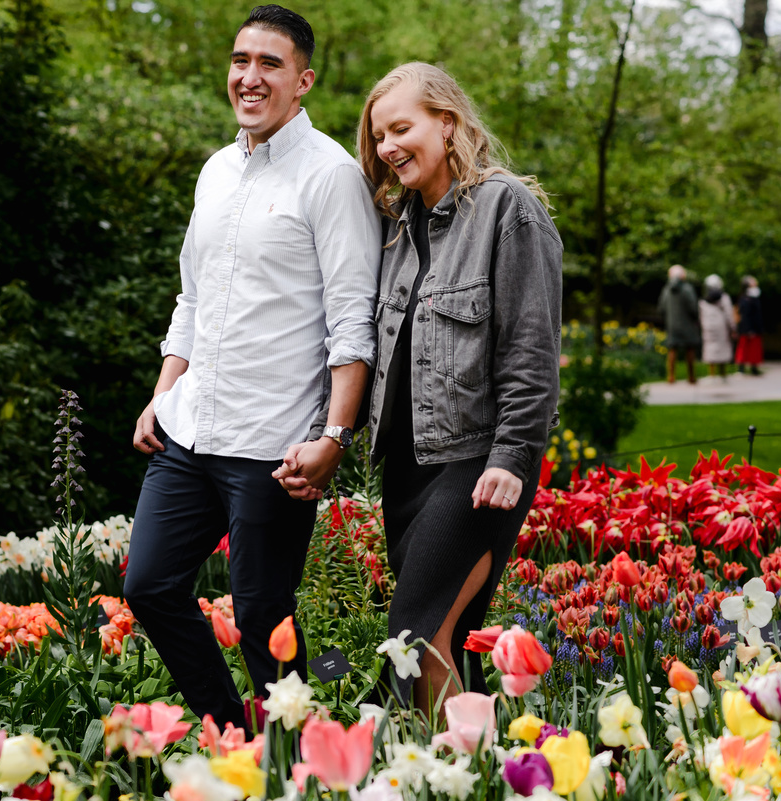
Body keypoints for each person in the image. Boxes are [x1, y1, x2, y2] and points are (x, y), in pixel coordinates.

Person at [124, 5, 380, 730]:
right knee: (148, 585)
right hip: (189, 432)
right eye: (241, 60)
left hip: (273, 446)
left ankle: (297, 755)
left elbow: (351, 320)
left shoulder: (330, 175)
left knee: (266, 615)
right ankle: (229, 730)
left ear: (303, 80)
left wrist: (335, 434)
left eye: (270, 64)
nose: (250, 76)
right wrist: (162, 392)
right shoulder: (216, 171)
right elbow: (192, 298)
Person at [282, 62, 561, 713]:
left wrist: (513, 455)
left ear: (448, 121)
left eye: (400, 128)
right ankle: (489, 766)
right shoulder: (397, 230)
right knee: (447, 641)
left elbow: (531, 348)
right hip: (406, 473)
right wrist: (329, 435)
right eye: (378, 136)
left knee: (413, 640)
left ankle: (444, 768)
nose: (386, 148)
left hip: (475, 464)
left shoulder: (505, 209)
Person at [657, 265, 701, 384]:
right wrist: (696, 318)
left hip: (672, 324)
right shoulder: (687, 288)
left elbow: (661, 308)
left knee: (672, 350)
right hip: (688, 324)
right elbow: (693, 307)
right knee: (690, 349)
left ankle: (671, 377)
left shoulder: (666, 289)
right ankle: (691, 377)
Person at [698, 273, 736, 379]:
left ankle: (712, 375)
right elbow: (729, 314)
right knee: (723, 349)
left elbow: (701, 316)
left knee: (710, 350)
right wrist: (733, 327)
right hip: (721, 327)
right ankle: (723, 375)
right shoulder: (724, 298)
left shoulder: (703, 300)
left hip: (708, 327)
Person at [735, 275, 765, 375]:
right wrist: (748, 329)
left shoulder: (754, 298)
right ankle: (741, 368)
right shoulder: (745, 299)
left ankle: (754, 368)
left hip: (756, 329)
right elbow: (745, 316)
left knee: (755, 350)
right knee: (744, 349)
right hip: (747, 329)